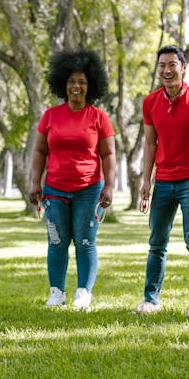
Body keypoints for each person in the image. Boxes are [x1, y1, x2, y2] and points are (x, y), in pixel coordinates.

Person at [29, 49, 116, 312]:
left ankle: (82, 293)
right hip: (55, 188)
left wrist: (110, 186)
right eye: (70, 81)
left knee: (85, 242)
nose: (75, 86)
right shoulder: (50, 116)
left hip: (89, 190)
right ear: (62, 84)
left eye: (81, 81)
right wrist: (35, 181)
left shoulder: (99, 117)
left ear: (90, 86)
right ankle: (56, 292)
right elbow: (40, 151)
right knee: (56, 241)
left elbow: (108, 154)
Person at [137, 45, 189, 318]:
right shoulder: (150, 103)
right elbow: (149, 142)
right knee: (157, 242)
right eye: (162, 65)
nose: (167, 70)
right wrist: (146, 180)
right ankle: (150, 300)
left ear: (183, 67)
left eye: (172, 64)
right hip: (164, 182)